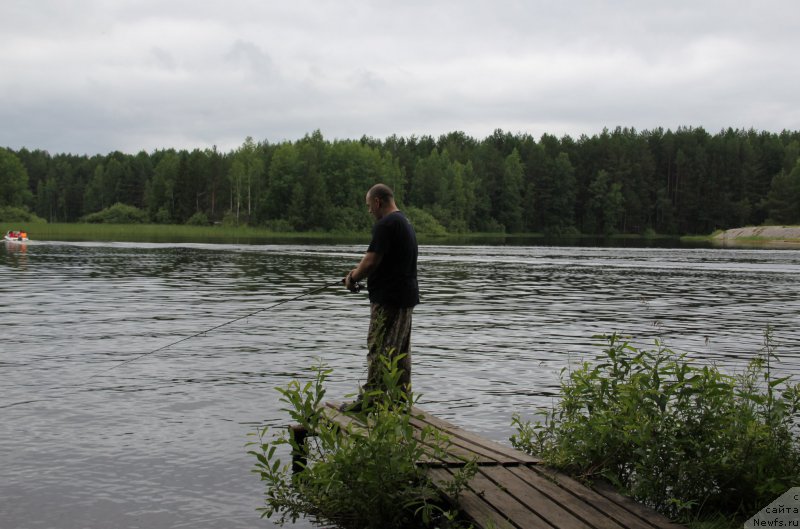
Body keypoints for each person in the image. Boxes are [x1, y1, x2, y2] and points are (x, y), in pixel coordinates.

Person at [342, 183, 419, 411]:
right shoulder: (404, 222)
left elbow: (370, 261)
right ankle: (400, 400)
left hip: (388, 299)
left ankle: (370, 401)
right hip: (405, 296)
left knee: (378, 348)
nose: (369, 211)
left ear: (378, 201)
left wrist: (352, 278)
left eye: (369, 205)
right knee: (400, 352)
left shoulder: (386, 224)